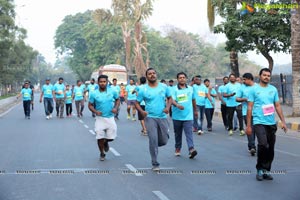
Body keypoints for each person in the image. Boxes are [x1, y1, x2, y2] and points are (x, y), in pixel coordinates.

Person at [246, 68, 287, 181]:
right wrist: (248, 125)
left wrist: (283, 121)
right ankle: (259, 169)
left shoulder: (273, 89)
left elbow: (277, 106)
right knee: (263, 145)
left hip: (271, 123)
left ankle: (266, 170)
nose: (266, 77)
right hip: (259, 122)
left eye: (268, 75)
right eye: (264, 75)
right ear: (260, 76)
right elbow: (249, 107)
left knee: (271, 148)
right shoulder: (253, 90)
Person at [135, 68, 172, 171]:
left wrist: (167, 108)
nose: (152, 75)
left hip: (163, 117)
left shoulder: (164, 87)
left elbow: (170, 98)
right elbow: (137, 103)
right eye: (149, 74)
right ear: (147, 77)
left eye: (153, 73)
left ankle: (155, 144)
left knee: (164, 140)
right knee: (153, 140)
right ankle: (155, 163)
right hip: (150, 117)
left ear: (156, 75)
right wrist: (142, 112)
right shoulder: (143, 89)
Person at [88, 75, 120, 161]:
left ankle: (106, 142)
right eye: (101, 82)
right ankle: (102, 153)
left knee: (111, 138)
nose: (102, 83)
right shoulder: (94, 93)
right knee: (99, 137)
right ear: (98, 83)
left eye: (104, 82)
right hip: (100, 118)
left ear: (107, 82)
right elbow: (90, 105)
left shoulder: (112, 91)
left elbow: (117, 99)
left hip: (110, 118)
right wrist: (95, 111)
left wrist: (115, 108)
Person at [171, 72, 198, 158]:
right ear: (177, 79)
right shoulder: (174, 89)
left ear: (186, 79)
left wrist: (195, 110)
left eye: (183, 77)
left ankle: (191, 149)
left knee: (189, 133)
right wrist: (177, 105)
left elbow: (193, 100)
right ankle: (178, 148)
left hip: (188, 116)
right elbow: (172, 100)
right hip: (177, 117)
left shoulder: (190, 89)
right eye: (180, 78)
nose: (182, 79)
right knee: (178, 134)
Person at [236, 73, 257, 156]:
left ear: (249, 79)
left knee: (256, 130)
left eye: (244, 79)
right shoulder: (242, 88)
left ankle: (252, 145)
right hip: (246, 112)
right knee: (249, 129)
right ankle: (252, 147)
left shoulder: (257, 87)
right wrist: (243, 99)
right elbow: (237, 98)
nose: (243, 81)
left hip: (257, 112)